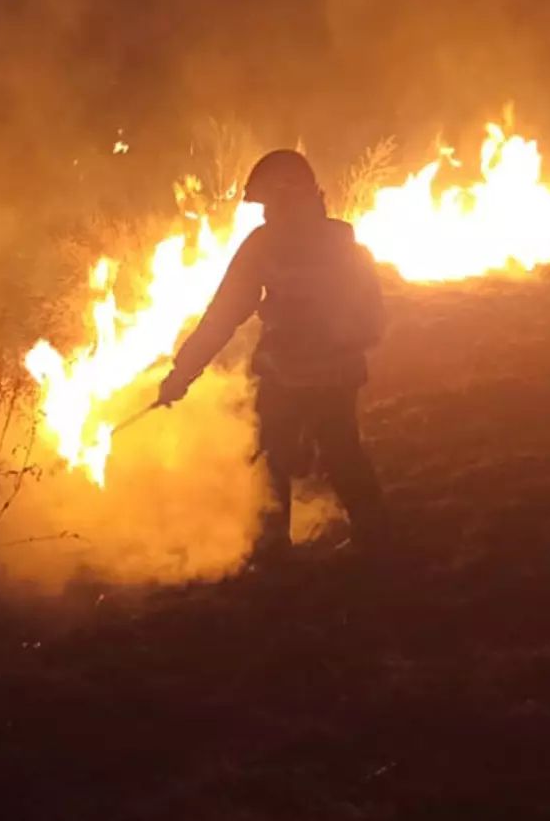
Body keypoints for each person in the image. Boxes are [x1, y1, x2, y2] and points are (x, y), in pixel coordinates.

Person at [157, 148, 388, 562]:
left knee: (291, 459)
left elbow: (226, 312)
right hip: (314, 375)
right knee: (319, 455)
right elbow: (225, 311)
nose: (265, 215)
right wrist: (183, 371)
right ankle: (366, 540)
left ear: (292, 197)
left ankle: (282, 552)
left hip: (309, 376)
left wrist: (183, 372)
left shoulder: (297, 247)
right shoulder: (328, 243)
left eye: (270, 205)